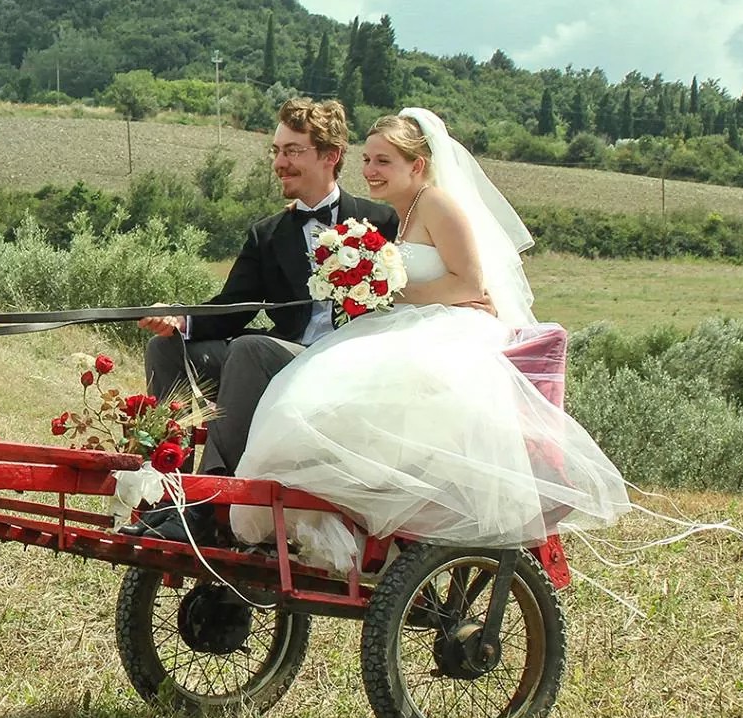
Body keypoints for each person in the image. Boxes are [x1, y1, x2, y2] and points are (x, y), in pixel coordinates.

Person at [226, 107, 632, 571]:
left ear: (417, 165)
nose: (370, 172)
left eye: (383, 162)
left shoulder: (438, 204)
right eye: (368, 161)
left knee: (362, 388)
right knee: (320, 388)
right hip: (408, 320)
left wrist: (392, 293)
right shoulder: (397, 216)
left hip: (448, 326)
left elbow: (470, 285)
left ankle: (368, 506)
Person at [127, 98, 395, 540]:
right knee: (165, 346)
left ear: (330, 156)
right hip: (287, 353)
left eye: (292, 151)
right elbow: (235, 305)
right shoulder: (268, 233)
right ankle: (163, 491)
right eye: (276, 151)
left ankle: (207, 504)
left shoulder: (380, 220)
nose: (279, 163)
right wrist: (181, 320)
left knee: (250, 349)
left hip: (348, 361)